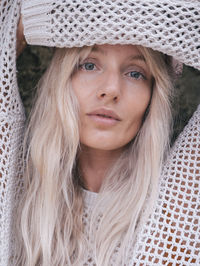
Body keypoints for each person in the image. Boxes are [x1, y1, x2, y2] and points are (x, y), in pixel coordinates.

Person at [0, 0, 199, 265]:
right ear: (61, 80)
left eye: (135, 73)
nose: (111, 89)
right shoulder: (15, 191)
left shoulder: (177, 204)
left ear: (153, 97)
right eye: (89, 65)